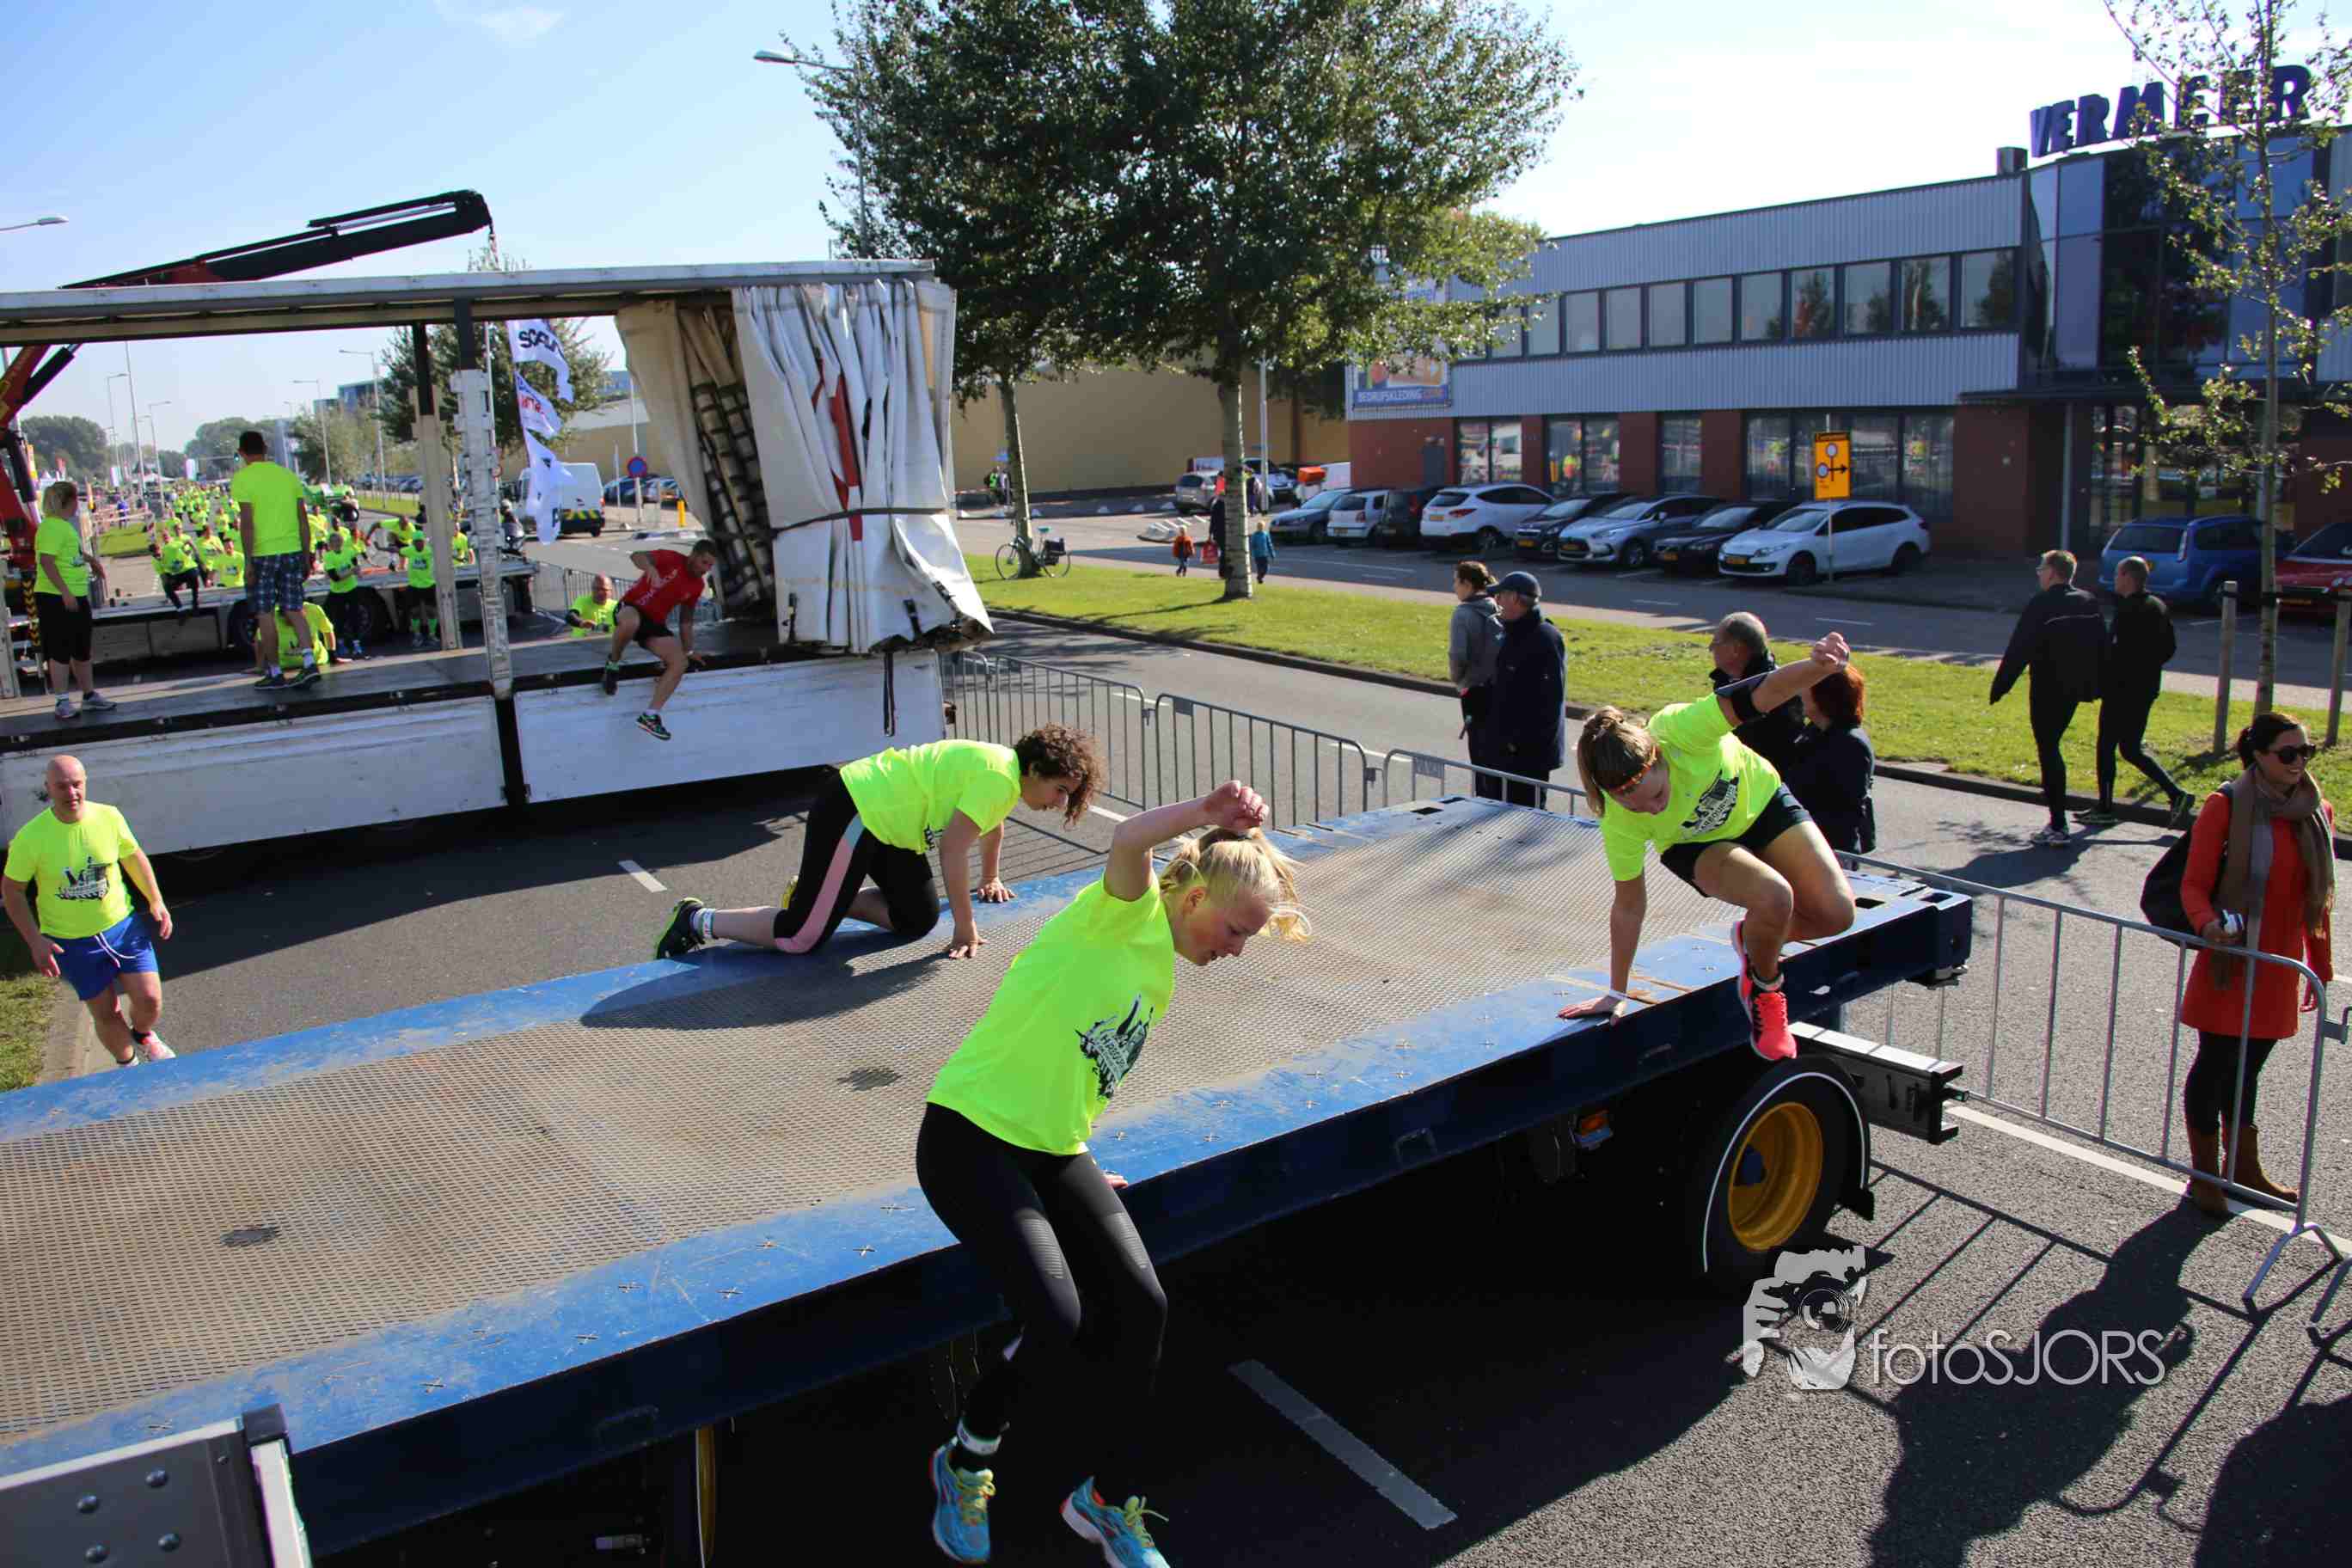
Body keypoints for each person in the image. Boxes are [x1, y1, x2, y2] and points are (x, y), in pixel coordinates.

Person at [917, 780, 1309, 1568]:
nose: (1237, 950)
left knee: (1141, 1306)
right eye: (1237, 930)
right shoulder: (1122, 914)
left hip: (1054, 1149)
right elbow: (1129, 839)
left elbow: (1083, 1067)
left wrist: (1081, 1168)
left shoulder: (1161, 972)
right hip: (970, 1137)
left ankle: (1105, 1499)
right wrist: (1206, 813)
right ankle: (964, 1460)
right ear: (1193, 897)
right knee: (1056, 1317)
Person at [1563, 633, 1860, 1062]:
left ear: (1660, 756)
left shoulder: (1682, 730)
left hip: (1762, 803)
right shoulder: (1618, 819)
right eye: (1636, 806)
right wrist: (1616, 992)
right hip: (1697, 844)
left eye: (1656, 795)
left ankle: (1750, 937)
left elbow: (1763, 694)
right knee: (1774, 897)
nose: (1651, 809)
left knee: (1837, 913)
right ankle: (1764, 989)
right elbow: (1628, 905)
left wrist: (1818, 667)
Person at [654, 726, 1106, 964]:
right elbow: (953, 849)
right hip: (858, 809)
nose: (1059, 802)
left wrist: (991, 878)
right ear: (1035, 770)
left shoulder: (1005, 776)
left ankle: (815, 896)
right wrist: (965, 927)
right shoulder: (1000, 778)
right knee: (800, 937)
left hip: (893, 828)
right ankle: (696, 920)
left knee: (916, 918)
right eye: (1060, 790)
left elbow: (992, 827)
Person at [2175, 712, 2334, 1216]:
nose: (2299, 761)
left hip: (2280, 964)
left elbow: (2319, 900)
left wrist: (2321, 966)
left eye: (2306, 751)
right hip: (2231, 960)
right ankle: (2204, 1177)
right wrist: (2208, 926)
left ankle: (2243, 1169)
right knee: (2217, 1064)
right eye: (2288, 753)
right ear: (2259, 756)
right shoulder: (2225, 806)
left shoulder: (2317, 811)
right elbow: (2193, 885)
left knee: (2249, 1069)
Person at [2, 755, 175, 1067]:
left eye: (76, 784)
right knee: (106, 1012)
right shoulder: (31, 837)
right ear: (48, 788)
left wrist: (155, 899)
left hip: (122, 927)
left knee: (150, 1000)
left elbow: (133, 856)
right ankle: (128, 1066)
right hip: (71, 941)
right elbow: (12, 890)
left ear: (85, 783)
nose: (71, 793)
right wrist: (35, 941)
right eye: (61, 786)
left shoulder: (109, 817)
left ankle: (143, 1034)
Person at [1990, 549, 2106, 847]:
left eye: (2041, 569)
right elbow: (2101, 646)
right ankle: (2057, 821)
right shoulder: (2088, 601)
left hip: (2047, 688)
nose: (2039, 574)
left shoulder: (2042, 603)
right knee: (2052, 745)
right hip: (2074, 689)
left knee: (2049, 749)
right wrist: (2096, 685)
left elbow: (2020, 647)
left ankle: (2057, 824)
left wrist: (2001, 686)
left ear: (2053, 572)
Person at [2086, 554, 2192, 829]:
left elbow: (2116, 653)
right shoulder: (2157, 605)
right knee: (2131, 748)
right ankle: (2177, 794)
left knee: (2106, 746)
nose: (2115, 579)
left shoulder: (2129, 610)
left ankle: (2105, 807)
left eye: (2118, 574)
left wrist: (2103, 682)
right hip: (2146, 688)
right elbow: (2169, 648)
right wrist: (2148, 668)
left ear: (2128, 577)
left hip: (2122, 690)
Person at [600, 542, 720, 741]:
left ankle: (650, 716)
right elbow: (636, 556)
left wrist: (689, 651)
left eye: (710, 566)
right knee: (631, 622)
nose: (706, 569)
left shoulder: (697, 585)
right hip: (631, 608)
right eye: (704, 562)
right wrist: (650, 568)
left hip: (654, 624)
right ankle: (613, 663)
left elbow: (686, 621)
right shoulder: (671, 558)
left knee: (680, 662)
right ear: (693, 555)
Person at [230, 431, 318, 691]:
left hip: (262, 554)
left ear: (242, 453)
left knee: (265, 614)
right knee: (295, 609)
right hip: (292, 551)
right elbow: (303, 519)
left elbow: (247, 523)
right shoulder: (288, 476)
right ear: (266, 448)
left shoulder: (242, 479)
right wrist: (306, 554)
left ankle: (276, 672)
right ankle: (309, 663)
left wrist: (248, 561)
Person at [32, 481, 118, 721]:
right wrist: (65, 592)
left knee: (82, 648)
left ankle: (89, 696)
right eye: (75, 501)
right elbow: (47, 562)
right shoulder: (51, 527)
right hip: (55, 597)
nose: (77, 506)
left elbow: (71, 555)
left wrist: (91, 561)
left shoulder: (63, 526)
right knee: (59, 649)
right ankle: (62, 701)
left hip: (75, 594)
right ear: (66, 502)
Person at [1488, 570, 1565, 806]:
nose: (1497, 602)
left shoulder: (1545, 638)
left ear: (1514, 598)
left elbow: (1550, 702)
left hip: (1527, 758)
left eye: (1500, 596)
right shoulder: (1513, 633)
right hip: (1505, 752)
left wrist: (1517, 744)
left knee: (1526, 817)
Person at [1784, 663, 1876, 855]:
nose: (1800, 692)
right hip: (1804, 841)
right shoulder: (1814, 731)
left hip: (1828, 850)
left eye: (1807, 686)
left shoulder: (1850, 745)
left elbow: (1845, 814)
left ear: (1823, 695)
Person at [1707, 612, 1804, 776]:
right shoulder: (1727, 681)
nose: (1711, 648)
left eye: (1716, 642)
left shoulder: (1780, 694)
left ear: (1735, 649)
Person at [1449, 560, 1504, 800]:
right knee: (1496, 753)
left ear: (1468, 584)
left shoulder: (1462, 614)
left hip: (1474, 691)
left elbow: (1458, 655)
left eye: (1456, 582)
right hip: (1498, 689)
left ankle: (1484, 801)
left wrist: (1459, 681)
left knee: (1480, 755)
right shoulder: (1497, 606)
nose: (1454, 587)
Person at [319, 526, 371, 659]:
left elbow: (355, 563)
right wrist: (351, 572)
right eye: (333, 542)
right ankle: (341, 645)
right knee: (339, 618)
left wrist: (358, 570)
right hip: (337, 592)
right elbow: (335, 578)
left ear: (342, 541)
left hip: (351, 589)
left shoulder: (349, 551)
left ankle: (357, 646)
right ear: (330, 545)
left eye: (338, 541)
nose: (336, 544)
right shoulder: (328, 557)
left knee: (355, 617)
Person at [270, 598, 336, 675]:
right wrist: (263, 666)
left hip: (318, 663)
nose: (293, 620)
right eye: (289, 617)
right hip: (284, 667)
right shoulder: (271, 617)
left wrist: (332, 655)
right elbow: (261, 642)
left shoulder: (313, 610)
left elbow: (327, 630)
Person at [399, 528, 439, 648]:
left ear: (424, 542)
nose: (419, 544)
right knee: (414, 612)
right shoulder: (410, 550)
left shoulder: (430, 550)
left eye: (421, 541)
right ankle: (417, 635)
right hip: (414, 586)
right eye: (416, 542)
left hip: (429, 585)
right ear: (413, 543)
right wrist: (381, 548)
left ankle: (432, 635)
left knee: (431, 612)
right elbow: (398, 550)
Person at [155, 518, 202, 615]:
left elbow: (187, 541)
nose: (165, 538)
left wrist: (194, 551)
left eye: (166, 536)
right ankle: (184, 606)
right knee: (168, 587)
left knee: (192, 579)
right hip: (180, 573)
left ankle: (193, 601)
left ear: (170, 536)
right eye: (163, 537)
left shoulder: (174, 544)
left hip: (189, 570)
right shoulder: (164, 549)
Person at [567, 574, 618, 639]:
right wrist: (582, 623)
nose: (600, 592)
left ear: (611, 591)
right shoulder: (582, 601)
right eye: (597, 589)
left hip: (607, 642)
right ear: (592, 589)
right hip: (582, 642)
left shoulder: (616, 605)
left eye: (604, 589)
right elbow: (570, 616)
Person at [1249, 517, 1274, 585]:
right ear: (1257, 527)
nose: (1260, 528)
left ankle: (1260, 576)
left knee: (1266, 568)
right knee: (1259, 568)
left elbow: (1269, 544)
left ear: (1263, 527)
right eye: (1259, 526)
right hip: (1257, 555)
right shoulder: (1254, 535)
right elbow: (1252, 545)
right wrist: (1252, 552)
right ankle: (1260, 578)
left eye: (1262, 526)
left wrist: (1272, 554)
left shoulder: (1265, 534)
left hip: (1265, 554)